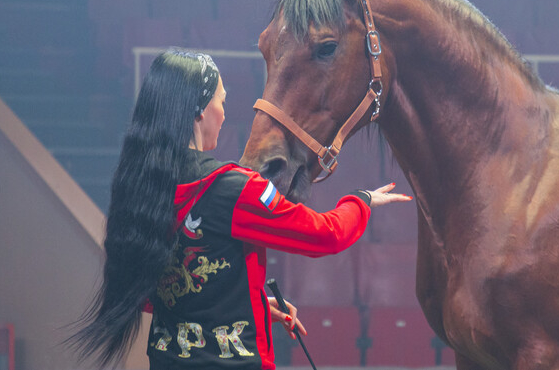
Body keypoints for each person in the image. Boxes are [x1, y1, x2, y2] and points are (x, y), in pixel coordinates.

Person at [68, 49, 410, 369]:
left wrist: (253, 304)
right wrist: (360, 201)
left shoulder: (141, 189)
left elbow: (145, 294)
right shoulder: (234, 190)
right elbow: (326, 235)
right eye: (221, 100)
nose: (225, 112)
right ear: (200, 110)